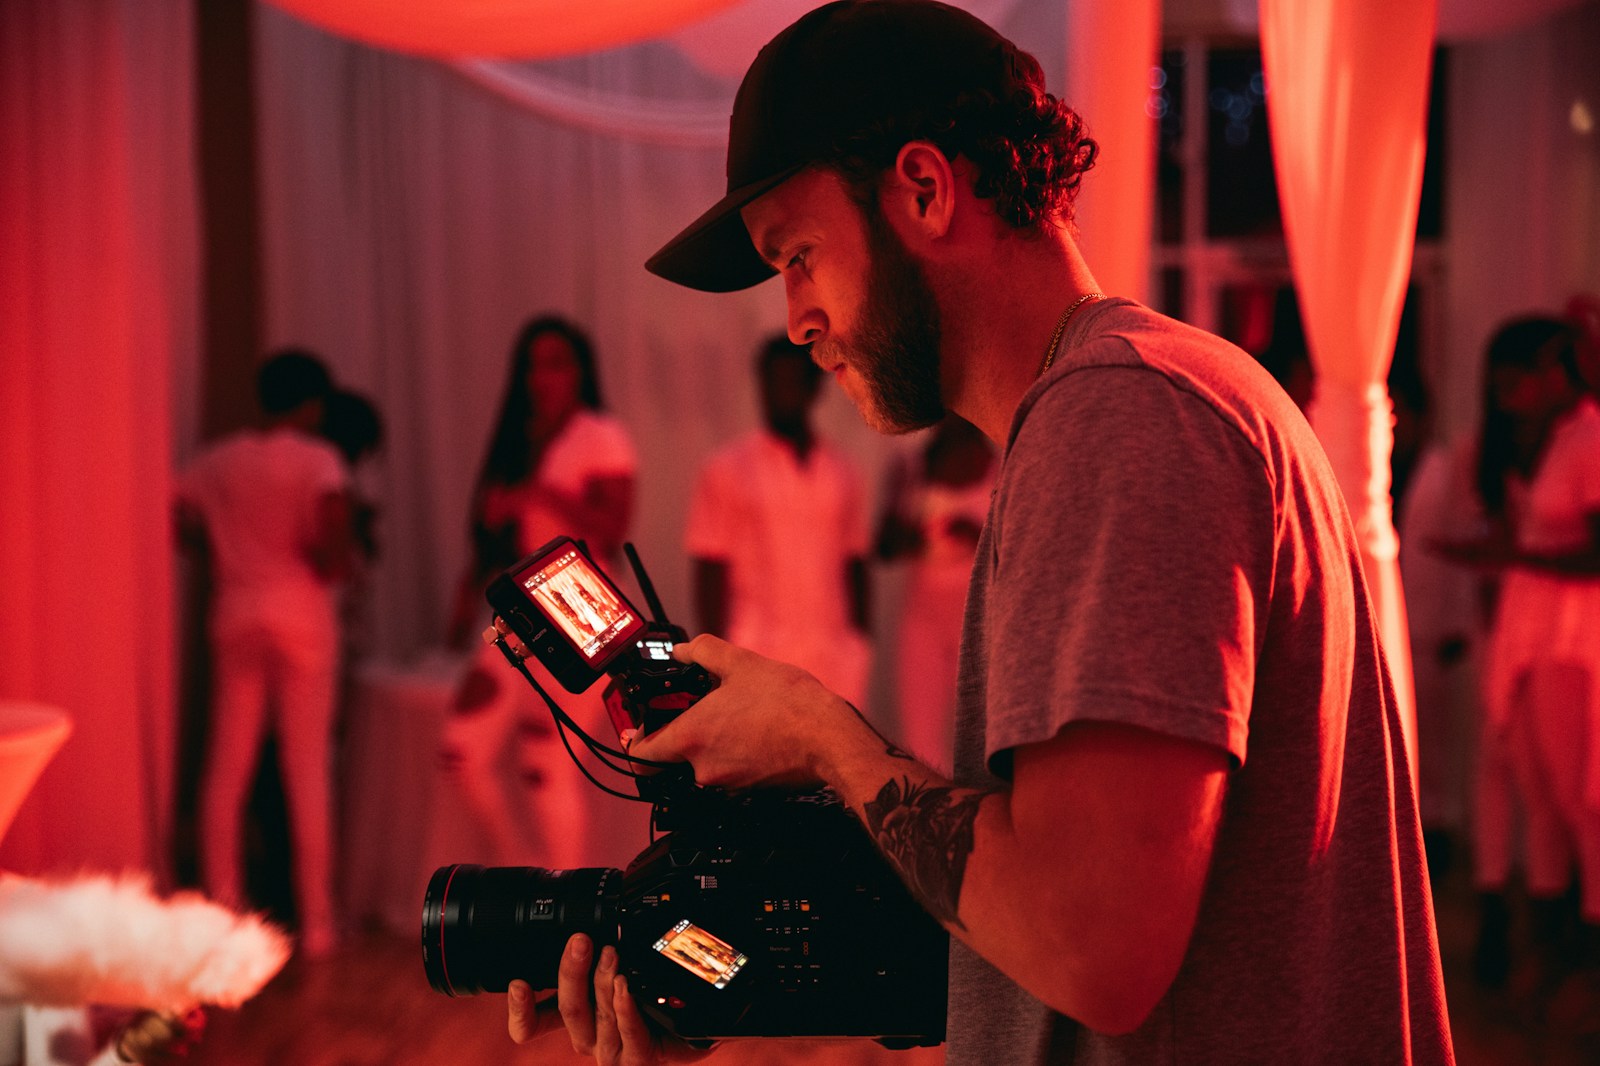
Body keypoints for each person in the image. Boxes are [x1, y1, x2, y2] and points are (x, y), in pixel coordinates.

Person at [508, 3, 1453, 1063]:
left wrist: (825, 737)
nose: (796, 317)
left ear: (924, 188)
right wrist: (718, 974)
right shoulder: (1138, 397)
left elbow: (1092, 945)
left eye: (800, 254)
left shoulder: (1118, 414)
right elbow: (1046, 909)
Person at [1435, 317, 1600, 1012]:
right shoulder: (1539, 441)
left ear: (1557, 372)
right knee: (1536, 788)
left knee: (1576, 794)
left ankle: (1584, 948)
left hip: (1570, 634)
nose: (1508, 396)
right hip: (1528, 628)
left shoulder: (1589, 438)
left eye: (1517, 381)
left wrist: (1513, 557)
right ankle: (1550, 943)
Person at [438, 316, 639, 870]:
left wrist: (539, 495)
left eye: (556, 364)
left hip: (584, 602)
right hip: (526, 603)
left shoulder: (599, 435)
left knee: (546, 766)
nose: (542, 378)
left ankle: (564, 894)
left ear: (579, 371)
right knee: (462, 751)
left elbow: (614, 527)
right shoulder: (521, 438)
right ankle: (524, 866)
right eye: (533, 365)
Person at [174, 349, 352, 959]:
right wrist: (332, 561)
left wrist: (224, 548)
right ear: (313, 404)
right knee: (307, 770)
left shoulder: (217, 459)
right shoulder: (319, 459)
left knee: (227, 767)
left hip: (236, 610)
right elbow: (333, 532)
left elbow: (179, 514)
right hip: (301, 614)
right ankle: (318, 924)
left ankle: (223, 907)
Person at [685, 333, 873, 707]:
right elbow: (709, 564)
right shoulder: (727, 468)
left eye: (791, 381)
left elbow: (855, 560)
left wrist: (859, 644)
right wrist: (716, 659)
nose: (781, 392)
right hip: (756, 651)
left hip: (831, 655)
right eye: (773, 381)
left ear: (813, 388)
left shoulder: (841, 471)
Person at [875, 414, 994, 773]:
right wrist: (916, 535)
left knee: (987, 729)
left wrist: (976, 533)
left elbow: (1024, 548)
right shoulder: (913, 466)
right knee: (920, 732)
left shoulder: (1000, 466)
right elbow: (884, 547)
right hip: (923, 615)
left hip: (980, 618)